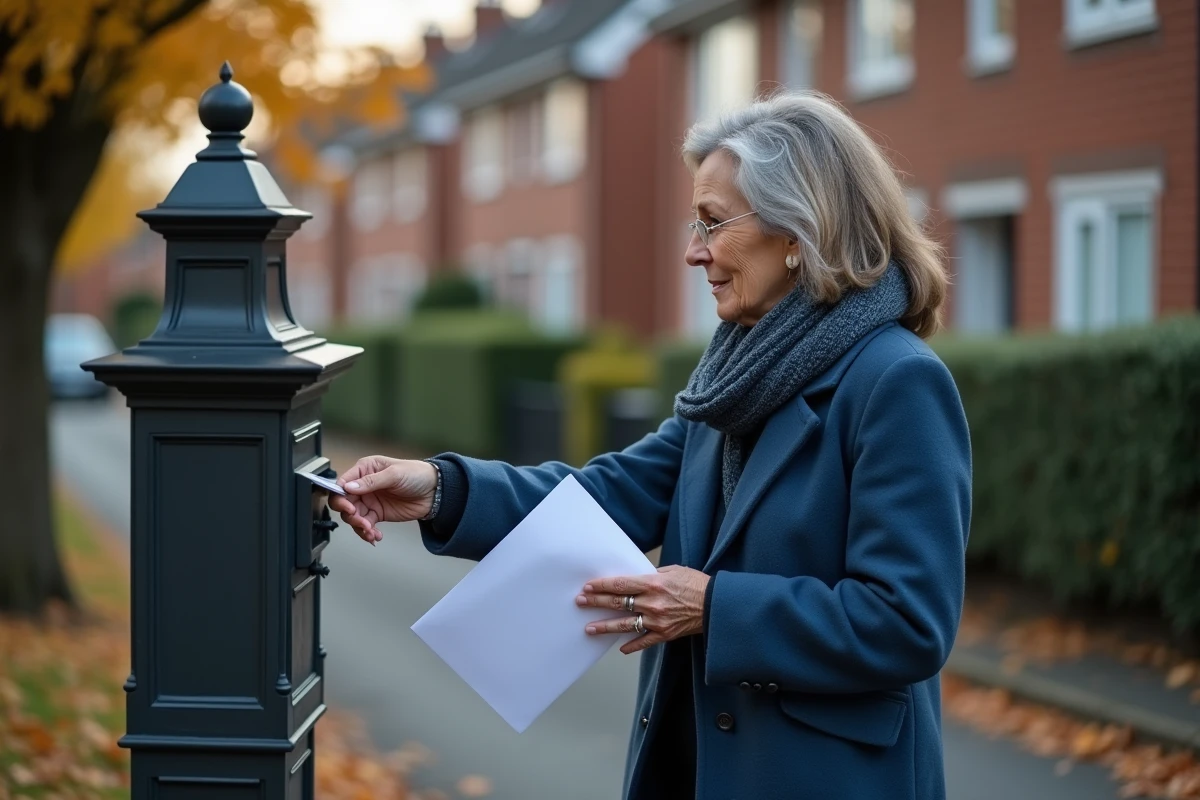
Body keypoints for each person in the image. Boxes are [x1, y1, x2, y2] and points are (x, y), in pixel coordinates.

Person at [329, 90, 972, 800]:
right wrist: (442, 489)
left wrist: (716, 608)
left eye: (713, 223)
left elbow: (907, 623)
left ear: (799, 232)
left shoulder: (897, 382)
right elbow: (611, 495)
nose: (694, 252)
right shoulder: (739, 370)